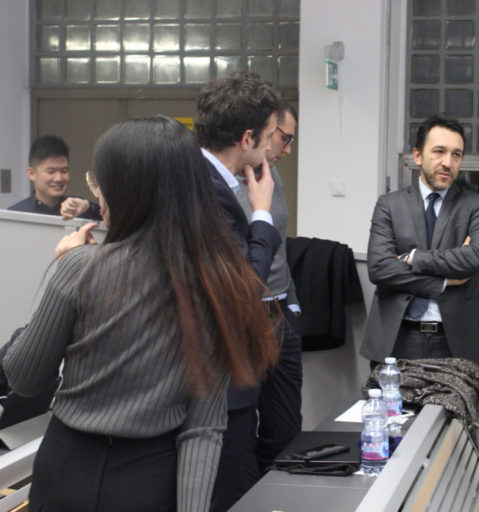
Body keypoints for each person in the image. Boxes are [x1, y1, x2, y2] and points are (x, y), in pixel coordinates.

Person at [3, 116, 278, 511]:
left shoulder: (80, 268)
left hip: (66, 469)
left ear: (125, 191)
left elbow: (25, 378)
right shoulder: (216, 283)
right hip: (150, 479)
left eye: (101, 184)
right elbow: (203, 428)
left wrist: (62, 279)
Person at [194, 69, 283, 511]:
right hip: (217, 383)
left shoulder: (201, 178)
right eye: (268, 138)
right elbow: (245, 287)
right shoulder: (208, 192)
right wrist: (262, 214)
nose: (271, 149)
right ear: (247, 138)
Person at [360, 113, 479, 365]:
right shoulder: (389, 205)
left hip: (457, 341)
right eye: (439, 151)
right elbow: (380, 268)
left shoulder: (477, 204)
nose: (448, 162)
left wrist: (413, 258)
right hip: (398, 338)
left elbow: (475, 258)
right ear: (417, 156)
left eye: (456, 154)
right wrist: (443, 281)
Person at [232, 100, 303, 472]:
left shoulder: (271, 174)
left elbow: (279, 242)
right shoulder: (224, 182)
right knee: (240, 431)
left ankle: (274, 491)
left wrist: (292, 304)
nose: (287, 150)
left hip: (280, 312)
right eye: (284, 138)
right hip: (242, 316)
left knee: (286, 429)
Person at [7, 135, 101, 220]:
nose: (59, 178)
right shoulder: (15, 214)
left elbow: (108, 216)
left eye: (64, 171)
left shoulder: (79, 209)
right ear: (31, 173)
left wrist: (88, 206)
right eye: (51, 172)